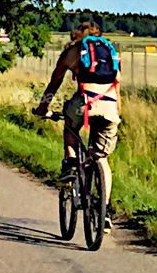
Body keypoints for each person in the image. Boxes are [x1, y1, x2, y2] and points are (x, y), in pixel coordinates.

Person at [33, 18, 120, 211]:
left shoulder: (72, 52)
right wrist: (116, 112)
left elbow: (53, 84)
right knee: (101, 158)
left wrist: (43, 108)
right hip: (109, 106)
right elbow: (117, 85)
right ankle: (105, 212)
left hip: (84, 103)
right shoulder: (111, 53)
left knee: (70, 125)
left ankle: (71, 163)